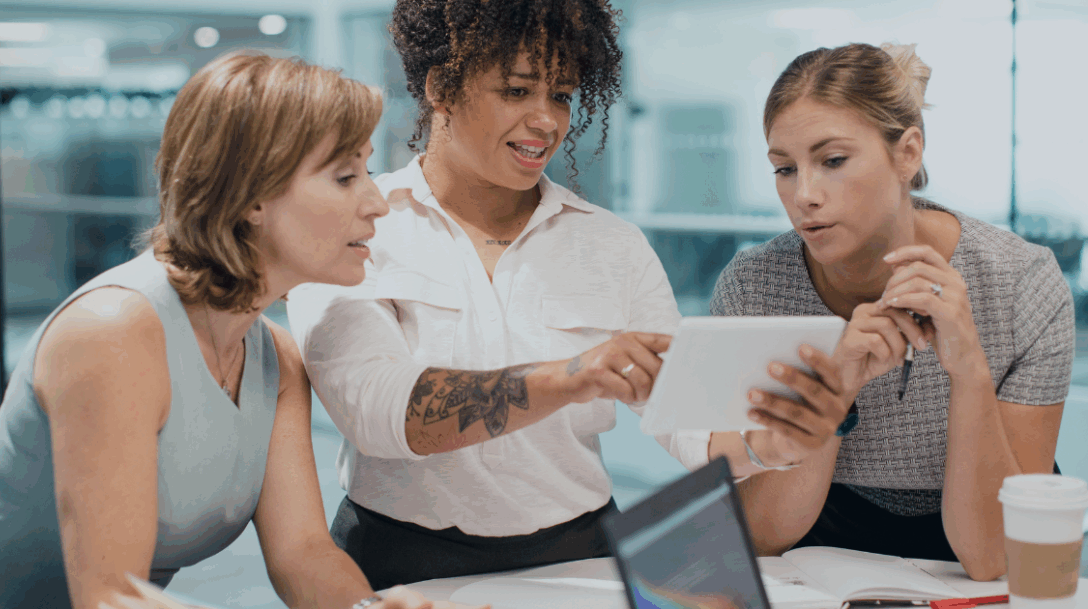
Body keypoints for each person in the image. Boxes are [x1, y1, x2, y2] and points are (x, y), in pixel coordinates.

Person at [285, 0, 847, 590]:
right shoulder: (361, 228)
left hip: (579, 559)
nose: (546, 121)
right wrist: (572, 377)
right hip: (398, 559)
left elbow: (688, 418)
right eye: (517, 91)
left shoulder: (612, 245)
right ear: (441, 88)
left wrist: (767, 443)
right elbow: (377, 410)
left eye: (560, 95)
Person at [0, 52, 473, 609]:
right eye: (344, 176)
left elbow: (302, 554)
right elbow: (112, 598)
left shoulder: (275, 359)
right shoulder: (113, 333)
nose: (377, 202)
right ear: (252, 194)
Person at [706, 42, 1075, 581]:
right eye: (784, 169)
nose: (804, 194)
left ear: (908, 153)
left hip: (973, 556)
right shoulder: (755, 286)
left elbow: (993, 556)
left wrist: (970, 370)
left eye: (832, 161)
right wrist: (836, 385)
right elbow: (760, 537)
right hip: (812, 556)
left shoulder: (1021, 282)